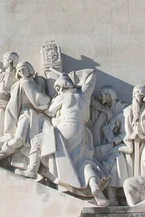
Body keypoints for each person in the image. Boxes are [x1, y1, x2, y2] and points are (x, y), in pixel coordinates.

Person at [38, 70, 110, 207]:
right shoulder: (83, 96)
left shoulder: (63, 97)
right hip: (83, 132)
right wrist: (75, 83)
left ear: (62, 87)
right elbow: (92, 74)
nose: (58, 90)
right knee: (85, 162)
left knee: (39, 142)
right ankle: (94, 185)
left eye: (58, 88)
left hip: (67, 128)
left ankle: (38, 173)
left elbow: (50, 111)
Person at [0, 61, 50, 169]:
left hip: (33, 115)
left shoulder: (35, 82)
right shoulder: (18, 85)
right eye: (19, 70)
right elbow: (13, 103)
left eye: (23, 69)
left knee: (27, 142)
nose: (21, 71)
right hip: (24, 114)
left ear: (30, 69)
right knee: (19, 140)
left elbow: (41, 100)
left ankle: (32, 169)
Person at [101, 85, 145, 204]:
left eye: (138, 94)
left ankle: (143, 196)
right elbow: (108, 127)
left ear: (144, 96)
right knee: (113, 163)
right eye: (134, 94)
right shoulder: (126, 111)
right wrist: (115, 140)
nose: (135, 96)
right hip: (128, 147)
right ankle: (114, 198)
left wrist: (142, 135)